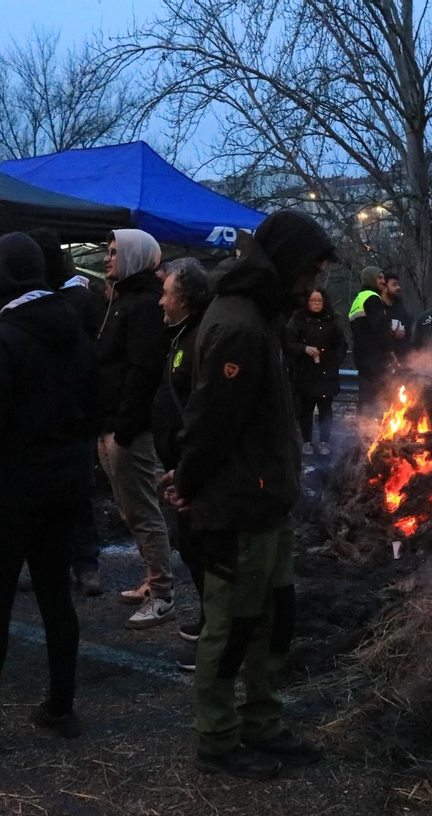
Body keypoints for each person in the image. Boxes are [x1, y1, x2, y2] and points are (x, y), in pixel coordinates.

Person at [165, 210, 333, 780]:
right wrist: (188, 483)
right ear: (285, 263)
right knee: (233, 624)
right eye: (310, 271)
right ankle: (217, 736)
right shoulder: (238, 324)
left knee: (273, 618)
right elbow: (211, 422)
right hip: (239, 506)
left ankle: (263, 720)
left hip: (268, 504)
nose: (314, 285)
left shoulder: (259, 315)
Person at [0, 234, 95, 758]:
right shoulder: (73, 327)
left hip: (10, 489)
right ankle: (60, 706)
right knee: (56, 595)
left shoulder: (2, 338)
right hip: (65, 484)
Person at [96, 228, 175, 629]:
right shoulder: (123, 299)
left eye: (114, 252)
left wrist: (125, 429)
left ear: (135, 256)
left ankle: (162, 593)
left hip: (128, 429)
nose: (107, 258)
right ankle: (151, 578)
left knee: (142, 509)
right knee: (130, 510)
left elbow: (142, 372)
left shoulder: (142, 305)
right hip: (111, 423)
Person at [28, 228, 103, 597]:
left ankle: (85, 563)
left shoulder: (80, 300)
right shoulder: (25, 306)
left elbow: (95, 359)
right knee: (58, 493)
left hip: (69, 414)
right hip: (52, 414)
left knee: (74, 493)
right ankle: (68, 564)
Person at [151, 258, 211, 663]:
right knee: (190, 546)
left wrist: (188, 469)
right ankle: (212, 621)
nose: (160, 302)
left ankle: (216, 634)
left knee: (202, 549)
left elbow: (203, 414)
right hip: (181, 466)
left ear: (185, 298)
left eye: (166, 293)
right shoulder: (180, 336)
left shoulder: (198, 340)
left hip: (194, 470)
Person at [283, 289, 344, 457]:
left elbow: (341, 344)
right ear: (307, 302)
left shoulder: (332, 321)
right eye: (313, 301)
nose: (316, 304)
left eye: (319, 301)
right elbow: (288, 343)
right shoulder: (298, 320)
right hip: (305, 372)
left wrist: (335, 359)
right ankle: (307, 441)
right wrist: (304, 349)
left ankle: (325, 441)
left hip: (327, 372)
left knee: (326, 409)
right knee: (306, 409)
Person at [348, 266, 398, 412]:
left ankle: (362, 430)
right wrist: (389, 352)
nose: (383, 281)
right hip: (374, 358)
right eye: (379, 278)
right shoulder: (373, 298)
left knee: (365, 398)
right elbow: (380, 329)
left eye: (383, 278)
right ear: (370, 279)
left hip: (361, 356)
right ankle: (374, 432)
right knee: (378, 399)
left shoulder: (358, 298)